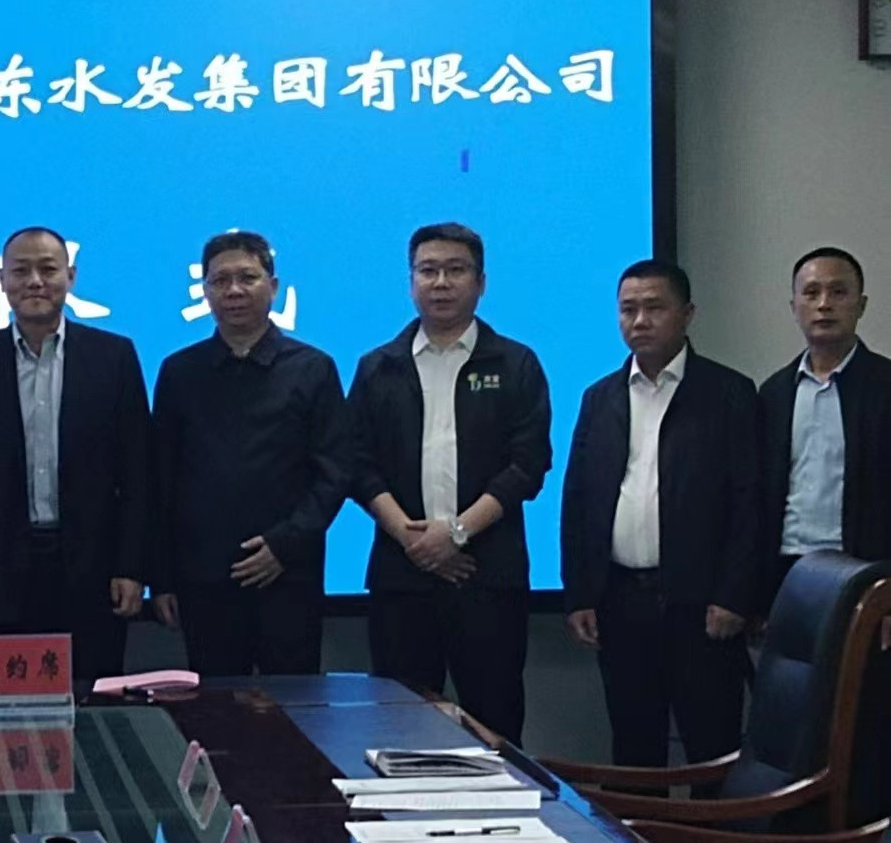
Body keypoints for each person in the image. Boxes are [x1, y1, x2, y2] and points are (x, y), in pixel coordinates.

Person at [345, 223, 551, 746]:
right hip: (401, 577)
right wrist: (412, 539)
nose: (441, 283)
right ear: (410, 281)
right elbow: (356, 463)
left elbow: (528, 465)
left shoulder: (516, 363)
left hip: (488, 575)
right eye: (428, 271)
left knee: (495, 722)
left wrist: (456, 533)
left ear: (481, 282)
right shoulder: (378, 367)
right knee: (401, 727)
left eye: (455, 270)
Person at [560, 260, 757, 768]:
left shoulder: (729, 393)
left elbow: (749, 504)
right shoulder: (599, 397)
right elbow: (578, 501)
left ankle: (713, 828)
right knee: (633, 747)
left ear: (687, 314)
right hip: (621, 601)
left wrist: (733, 595)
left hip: (701, 607)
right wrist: (579, 594)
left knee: (712, 746)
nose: (640, 320)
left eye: (654, 308)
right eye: (628, 309)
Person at [0, 226, 150, 683]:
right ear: (1, 280)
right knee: (7, 706)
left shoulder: (113, 357)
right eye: (21, 271)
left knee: (93, 699)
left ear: (70, 277)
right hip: (0, 570)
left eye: (48, 269)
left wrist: (132, 567)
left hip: (94, 570)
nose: (35, 281)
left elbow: (137, 474)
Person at [149, 231, 350, 675]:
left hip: (288, 573)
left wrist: (286, 543)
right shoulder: (180, 372)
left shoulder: (313, 368)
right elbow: (160, 479)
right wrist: (161, 579)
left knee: (294, 704)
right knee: (215, 705)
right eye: (220, 281)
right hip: (204, 578)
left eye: (248, 278)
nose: (234, 290)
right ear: (205, 292)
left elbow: (335, 472)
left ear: (272, 287)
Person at [758, 247, 891, 613]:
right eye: (811, 293)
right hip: (787, 571)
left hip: (867, 572)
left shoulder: (885, 386)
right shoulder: (773, 393)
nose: (824, 304)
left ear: (861, 305)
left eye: (838, 292)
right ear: (794, 307)